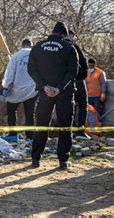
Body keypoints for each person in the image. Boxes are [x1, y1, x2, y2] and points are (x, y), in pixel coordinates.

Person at [27, 22, 78, 170]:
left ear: (52, 32)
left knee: (41, 125)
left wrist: (44, 86)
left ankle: (35, 159)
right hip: (64, 93)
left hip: (45, 92)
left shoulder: (38, 46)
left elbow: (31, 69)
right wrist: (60, 88)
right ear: (64, 34)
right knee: (64, 126)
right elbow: (73, 72)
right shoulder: (69, 48)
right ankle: (63, 160)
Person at [1, 39, 37, 142]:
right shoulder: (36, 56)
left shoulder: (16, 56)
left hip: (16, 90)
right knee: (30, 114)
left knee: (11, 111)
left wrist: (6, 87)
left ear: (22, 45)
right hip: (32, 90)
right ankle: (30, 136)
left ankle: (13, 134)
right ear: (31, 45)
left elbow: (10, 73)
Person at [65, 30, 90, 139]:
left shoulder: (58, 48)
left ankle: (67, 132)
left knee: (67, 106)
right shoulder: (74, 47)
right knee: (83, 104)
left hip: (64, 82)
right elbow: (83, 64)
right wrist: (82, 76)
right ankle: (80, 131)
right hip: (77, 80)